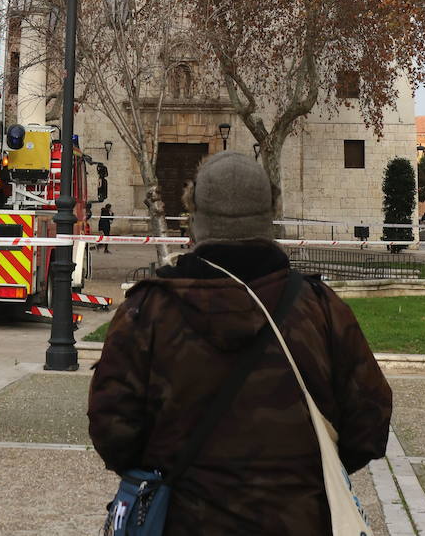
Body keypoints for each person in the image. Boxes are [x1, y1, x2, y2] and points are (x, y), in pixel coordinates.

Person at [88, 151, 392, 534]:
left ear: (194, 217)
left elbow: (112, 429)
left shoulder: (148, 312)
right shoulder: (321, 310)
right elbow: (370, 422)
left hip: (183, 521)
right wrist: (304, 474)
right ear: (270, 213)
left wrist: (166, 466)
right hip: (299, 520)